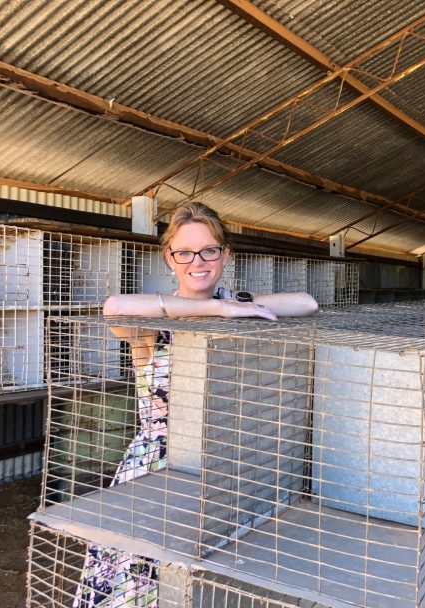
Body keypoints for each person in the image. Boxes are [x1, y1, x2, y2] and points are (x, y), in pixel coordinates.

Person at [73, 201, 318, 608]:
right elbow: (114, 307)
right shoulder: (153, 320)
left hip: (228, 464)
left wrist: (236, 302)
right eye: (184, 252)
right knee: (142, 580)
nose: (197, 261)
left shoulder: (238, 305)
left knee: (209, 582)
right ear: (169, 257)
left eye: (209, 250)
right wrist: (215, 308)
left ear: (226, 254)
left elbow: (307, 303)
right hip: (161, 466)